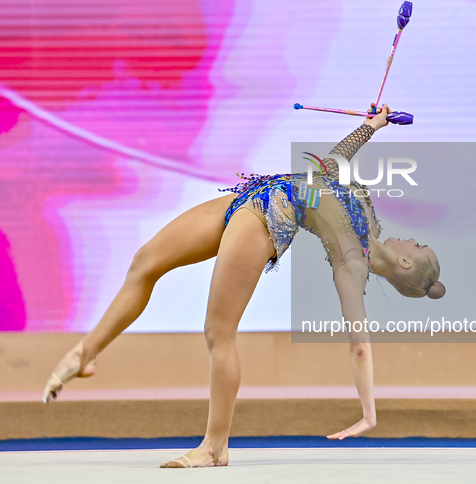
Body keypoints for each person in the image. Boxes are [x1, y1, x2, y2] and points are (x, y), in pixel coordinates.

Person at [42, 103, 445, 468]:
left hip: (266, 220)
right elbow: (329, 168)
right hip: (254, 194)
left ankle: (214, 446)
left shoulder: (352, 266)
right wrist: (369, 126)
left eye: (419, 245)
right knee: (144, 262)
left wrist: (369, 412)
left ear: (407, 262)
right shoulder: (369, 220)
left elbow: (359, 343)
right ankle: (86, 352)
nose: (413, 238)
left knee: (219, 333)